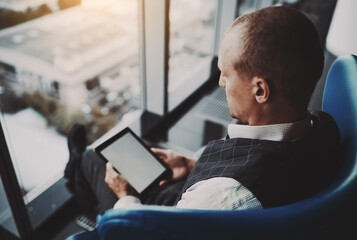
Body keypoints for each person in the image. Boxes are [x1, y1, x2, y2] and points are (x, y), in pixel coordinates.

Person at [65, 6, 341, 215]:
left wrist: (124, 195)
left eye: (225, 74)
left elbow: (152, 231)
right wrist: (191, 166)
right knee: (143, 152)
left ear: (260, 90)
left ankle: (79, 175)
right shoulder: (326, 129)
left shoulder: (220, 196)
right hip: (200, 191)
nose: (220, 83)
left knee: (94, 161)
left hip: (173, 212)